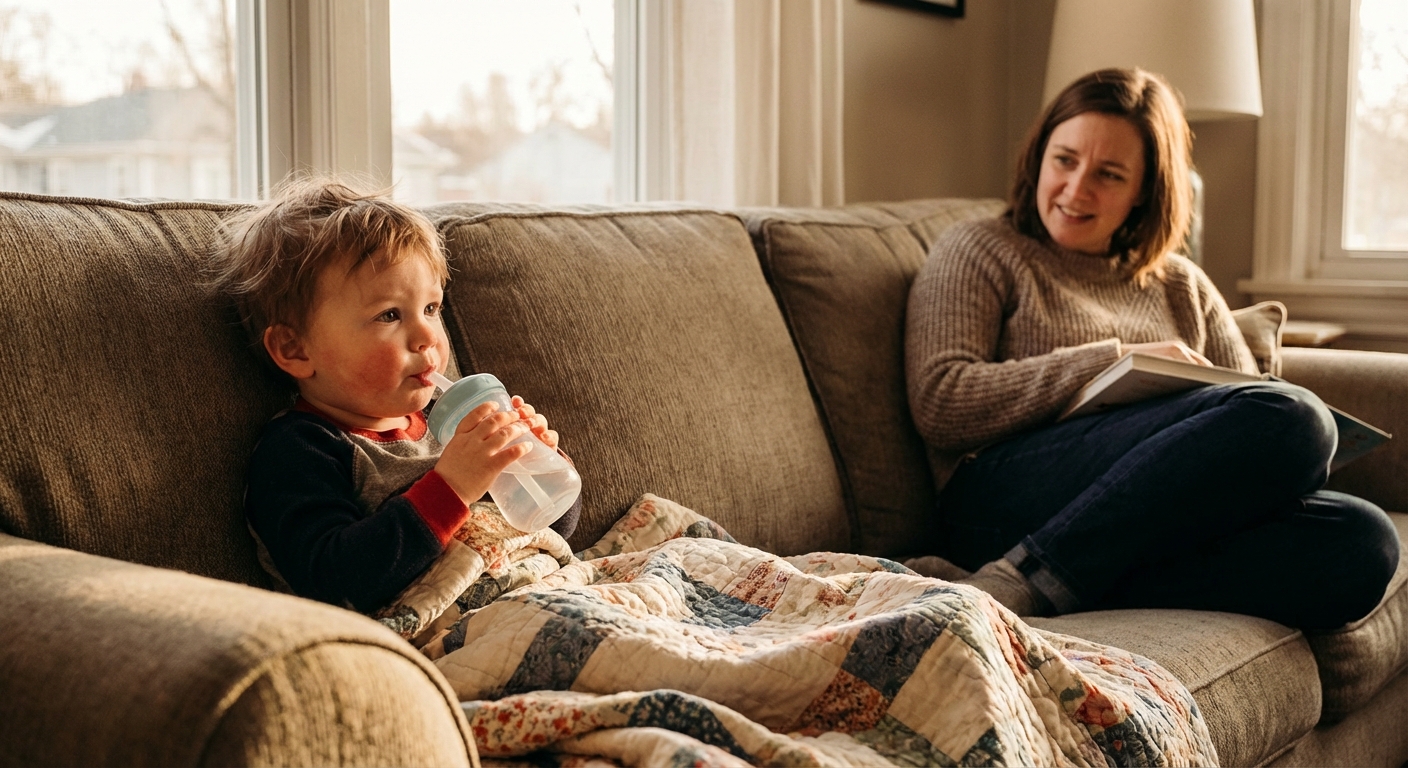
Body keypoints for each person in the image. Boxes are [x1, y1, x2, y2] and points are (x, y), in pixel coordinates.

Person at [904, 68, 1398, 630]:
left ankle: (1068, 575)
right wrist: (1109, 362)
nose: (1076, 189)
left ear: (1144, 191)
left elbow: (1249, 428)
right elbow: (941, 400)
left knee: (1363, 542)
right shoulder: (981, 249)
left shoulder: (1180, 284)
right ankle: (1020, 580)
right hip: (1000, 496)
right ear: (1039, 156)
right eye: (1065, 160)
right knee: (1298, 417)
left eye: (1108, 174)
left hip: (1138, 517)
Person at [210, 178, 580, 613]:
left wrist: (536, 462)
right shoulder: (300, 451)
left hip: (531, 592)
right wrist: (452, 486)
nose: (427, 336)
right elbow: (335, 581)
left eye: (431, 309)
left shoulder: (449, 426)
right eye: (389, 315)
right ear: (296, 349)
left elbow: (558, 528)